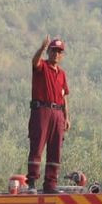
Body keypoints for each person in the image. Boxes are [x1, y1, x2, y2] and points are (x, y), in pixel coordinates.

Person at [25, 35, 71, 194]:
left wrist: (66, 117)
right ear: (48, 51)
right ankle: (32, 182)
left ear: (62, 55)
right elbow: (34, 61)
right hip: (42, 111)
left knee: (55, 149)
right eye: (53, 51)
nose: (56, 54)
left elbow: (64, 97)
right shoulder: (42, 66)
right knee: (37, 146)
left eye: (59, 52)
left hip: (58, 113)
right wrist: (41, 48)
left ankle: (50, 184)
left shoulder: (62, 74)